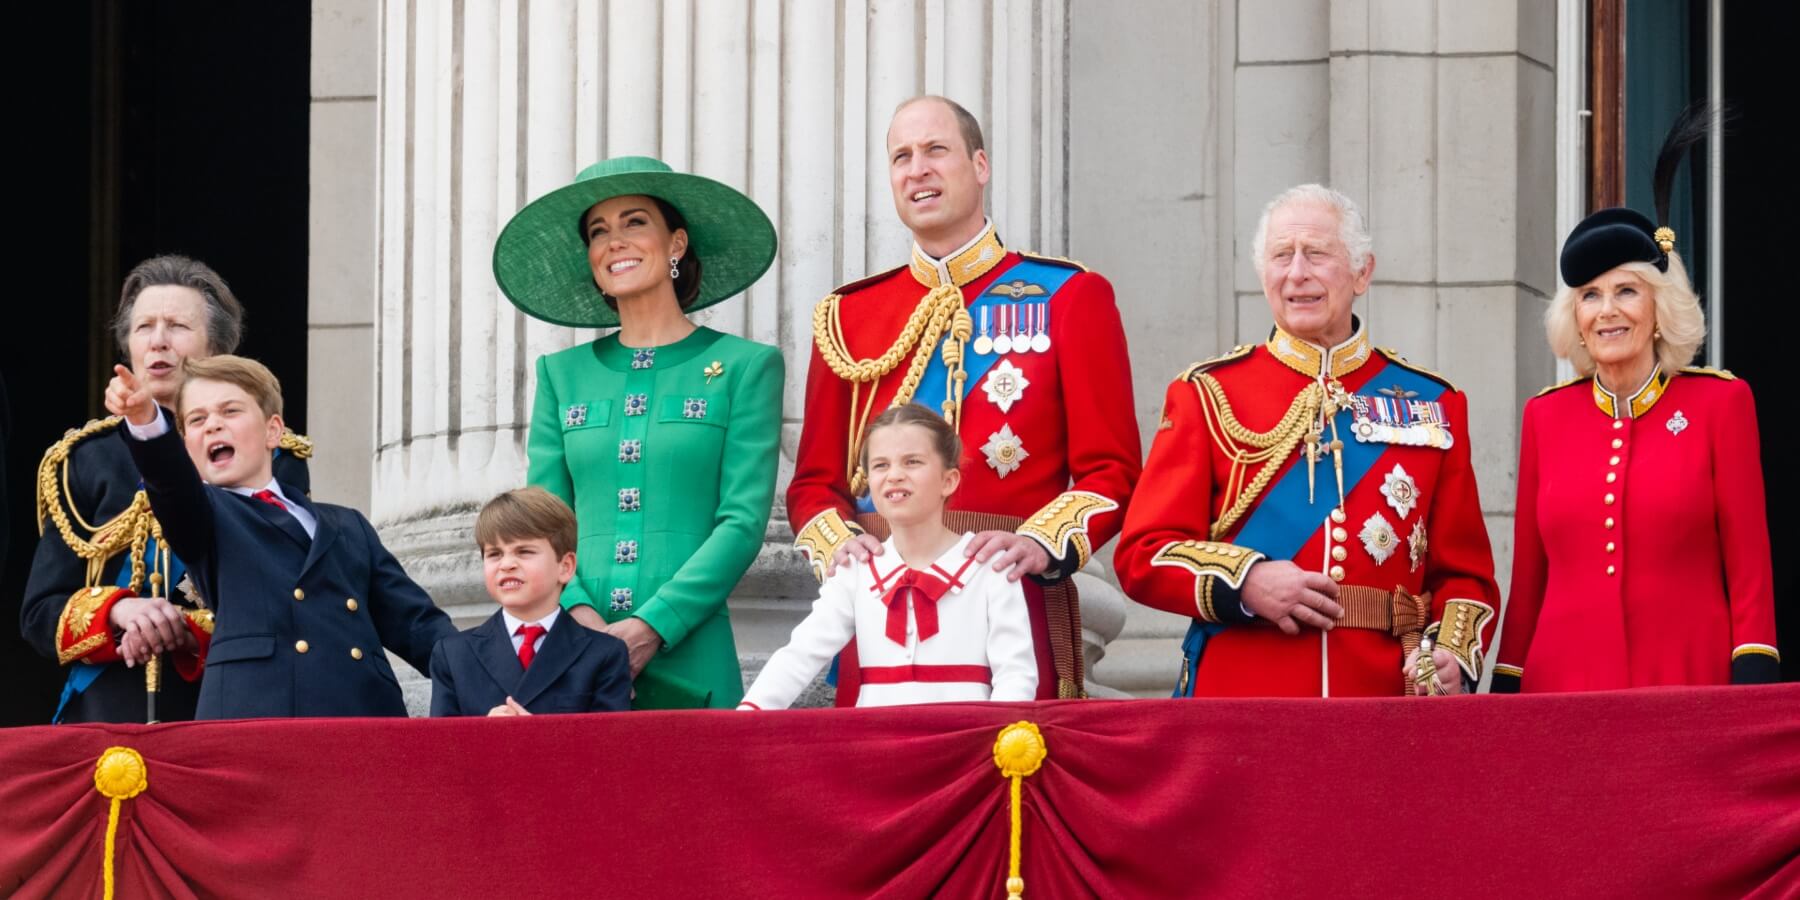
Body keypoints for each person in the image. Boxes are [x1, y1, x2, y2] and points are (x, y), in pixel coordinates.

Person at [788, 95, 1141, 703]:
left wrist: (1039, 544)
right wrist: (842, 547)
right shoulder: (848, 317)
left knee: (1009, 790)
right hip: (880, 610)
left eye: (935, 151)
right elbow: (814, 482)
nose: (917, 169)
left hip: (1008, 598)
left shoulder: (1070, 296)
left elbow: (1111, 469)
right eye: (901, 156)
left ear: (980, 166)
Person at [1114, 184, 1500, 697]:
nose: (1297, 273)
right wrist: (1246, 582)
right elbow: (1144, 553)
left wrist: (1450, 654)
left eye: (1317, 254)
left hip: (1383, 701)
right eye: (1281, 256)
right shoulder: (1207, 393)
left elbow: (1467, 578)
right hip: (1242, 699)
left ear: (1363, 272)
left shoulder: (1434, 403)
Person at [1492, 107, 1778, 692]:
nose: (1608, 310)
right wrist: (1507, 686)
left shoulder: (1720, 405)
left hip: (1687, 684)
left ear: (1658, 310)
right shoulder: (1546, 416)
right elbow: (1529, 582)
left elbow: (1750, 571)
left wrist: (1752, 683)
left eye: (1627, 290)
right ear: (1574, 318)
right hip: (1562, 692)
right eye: (1590, 296)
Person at [492, 156, 783, 709]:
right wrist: (580, 618)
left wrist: (654, 623)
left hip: (691, 649)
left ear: (676, 242)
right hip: (576, 647)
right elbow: (543, 522)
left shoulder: (746, 366)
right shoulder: (561, 375)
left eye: (634, 222)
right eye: (598, 232)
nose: (614, 242)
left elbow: (742, 522)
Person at [20, 255, 313, 723]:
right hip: (106, 716)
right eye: (144, 327)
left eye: (177, 326)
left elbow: (287, 604)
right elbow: (39, 614)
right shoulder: (83, 459)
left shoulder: (271, 454)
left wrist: (183, 630)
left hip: (228, 708)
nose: (158, 340)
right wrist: (118, 612)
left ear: (215, 348)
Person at [105, 355, 451, 718]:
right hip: (256, 722)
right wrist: (146, 420)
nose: (212, 426)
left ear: (273, 431)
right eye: (197, 419)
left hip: (363, 718)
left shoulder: (349, 525)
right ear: (186, 445)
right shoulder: (203, 513)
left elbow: (417, 624)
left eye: (230, 411)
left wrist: (493, 677)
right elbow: (171, 483)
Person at [741, 405, 1036, 709]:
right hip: (875, 746)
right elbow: (801, 654)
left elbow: (1016, 674)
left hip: (965, 743)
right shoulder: (856, 569)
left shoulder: (989, 566)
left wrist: (994, 742)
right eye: (881, 465)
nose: (895, 475)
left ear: (948, 481)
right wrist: (748, 714)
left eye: (912, 462)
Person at [429, 487, 631, 716]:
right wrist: (481, 735)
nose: (506, 564)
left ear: (565, 567)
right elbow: (441, 747)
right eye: (494, 554)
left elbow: (609, 747)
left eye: (524, 552)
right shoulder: (454, 654)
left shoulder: (604, 654)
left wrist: (536, 737)